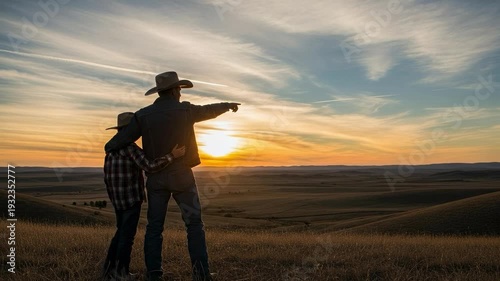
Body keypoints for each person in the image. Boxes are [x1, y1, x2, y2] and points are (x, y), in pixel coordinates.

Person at [105, 71, 240, 281]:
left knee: (154, 228)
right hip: (182, 176)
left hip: (156, 179)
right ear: (176, 90)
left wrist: (110, 145)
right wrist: (227, 104)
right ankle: (201, 274)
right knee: (194, 224)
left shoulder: (142, 115)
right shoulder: (185, 110)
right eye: (179, 89)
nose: (179, 92)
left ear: (160, 91)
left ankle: (154, 274)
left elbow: (123, 138)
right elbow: (208, 111)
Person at [103, 112, 186, 281]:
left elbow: (107, 177)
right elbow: (149, 166)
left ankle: (109, 270)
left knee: (120, 234)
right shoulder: (130, 148)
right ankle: (121, 274)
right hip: (131, 200)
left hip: (117, 200)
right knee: (127, 238)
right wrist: (172, 156)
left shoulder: (111, 150)